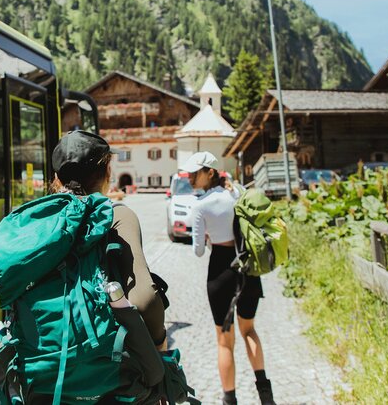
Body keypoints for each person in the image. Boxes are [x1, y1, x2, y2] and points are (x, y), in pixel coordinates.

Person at [51, 130, 167, 350]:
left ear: (57, 178)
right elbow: (145, 299)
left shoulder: (41, 220)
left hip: (43, 362)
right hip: (103, 363)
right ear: (108, 173)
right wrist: (160, 343)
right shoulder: (118, 215)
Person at [182, 151, 275, 405]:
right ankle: (266, 398)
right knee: (250, 331)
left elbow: (198, 251)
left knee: (225, 342)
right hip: (248, 269)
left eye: (195, 173)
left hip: (220, 272)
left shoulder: (201, 206)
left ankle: (229, 400)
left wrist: (211, 237)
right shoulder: (239, 192)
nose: (190, 177)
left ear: (209, 172)